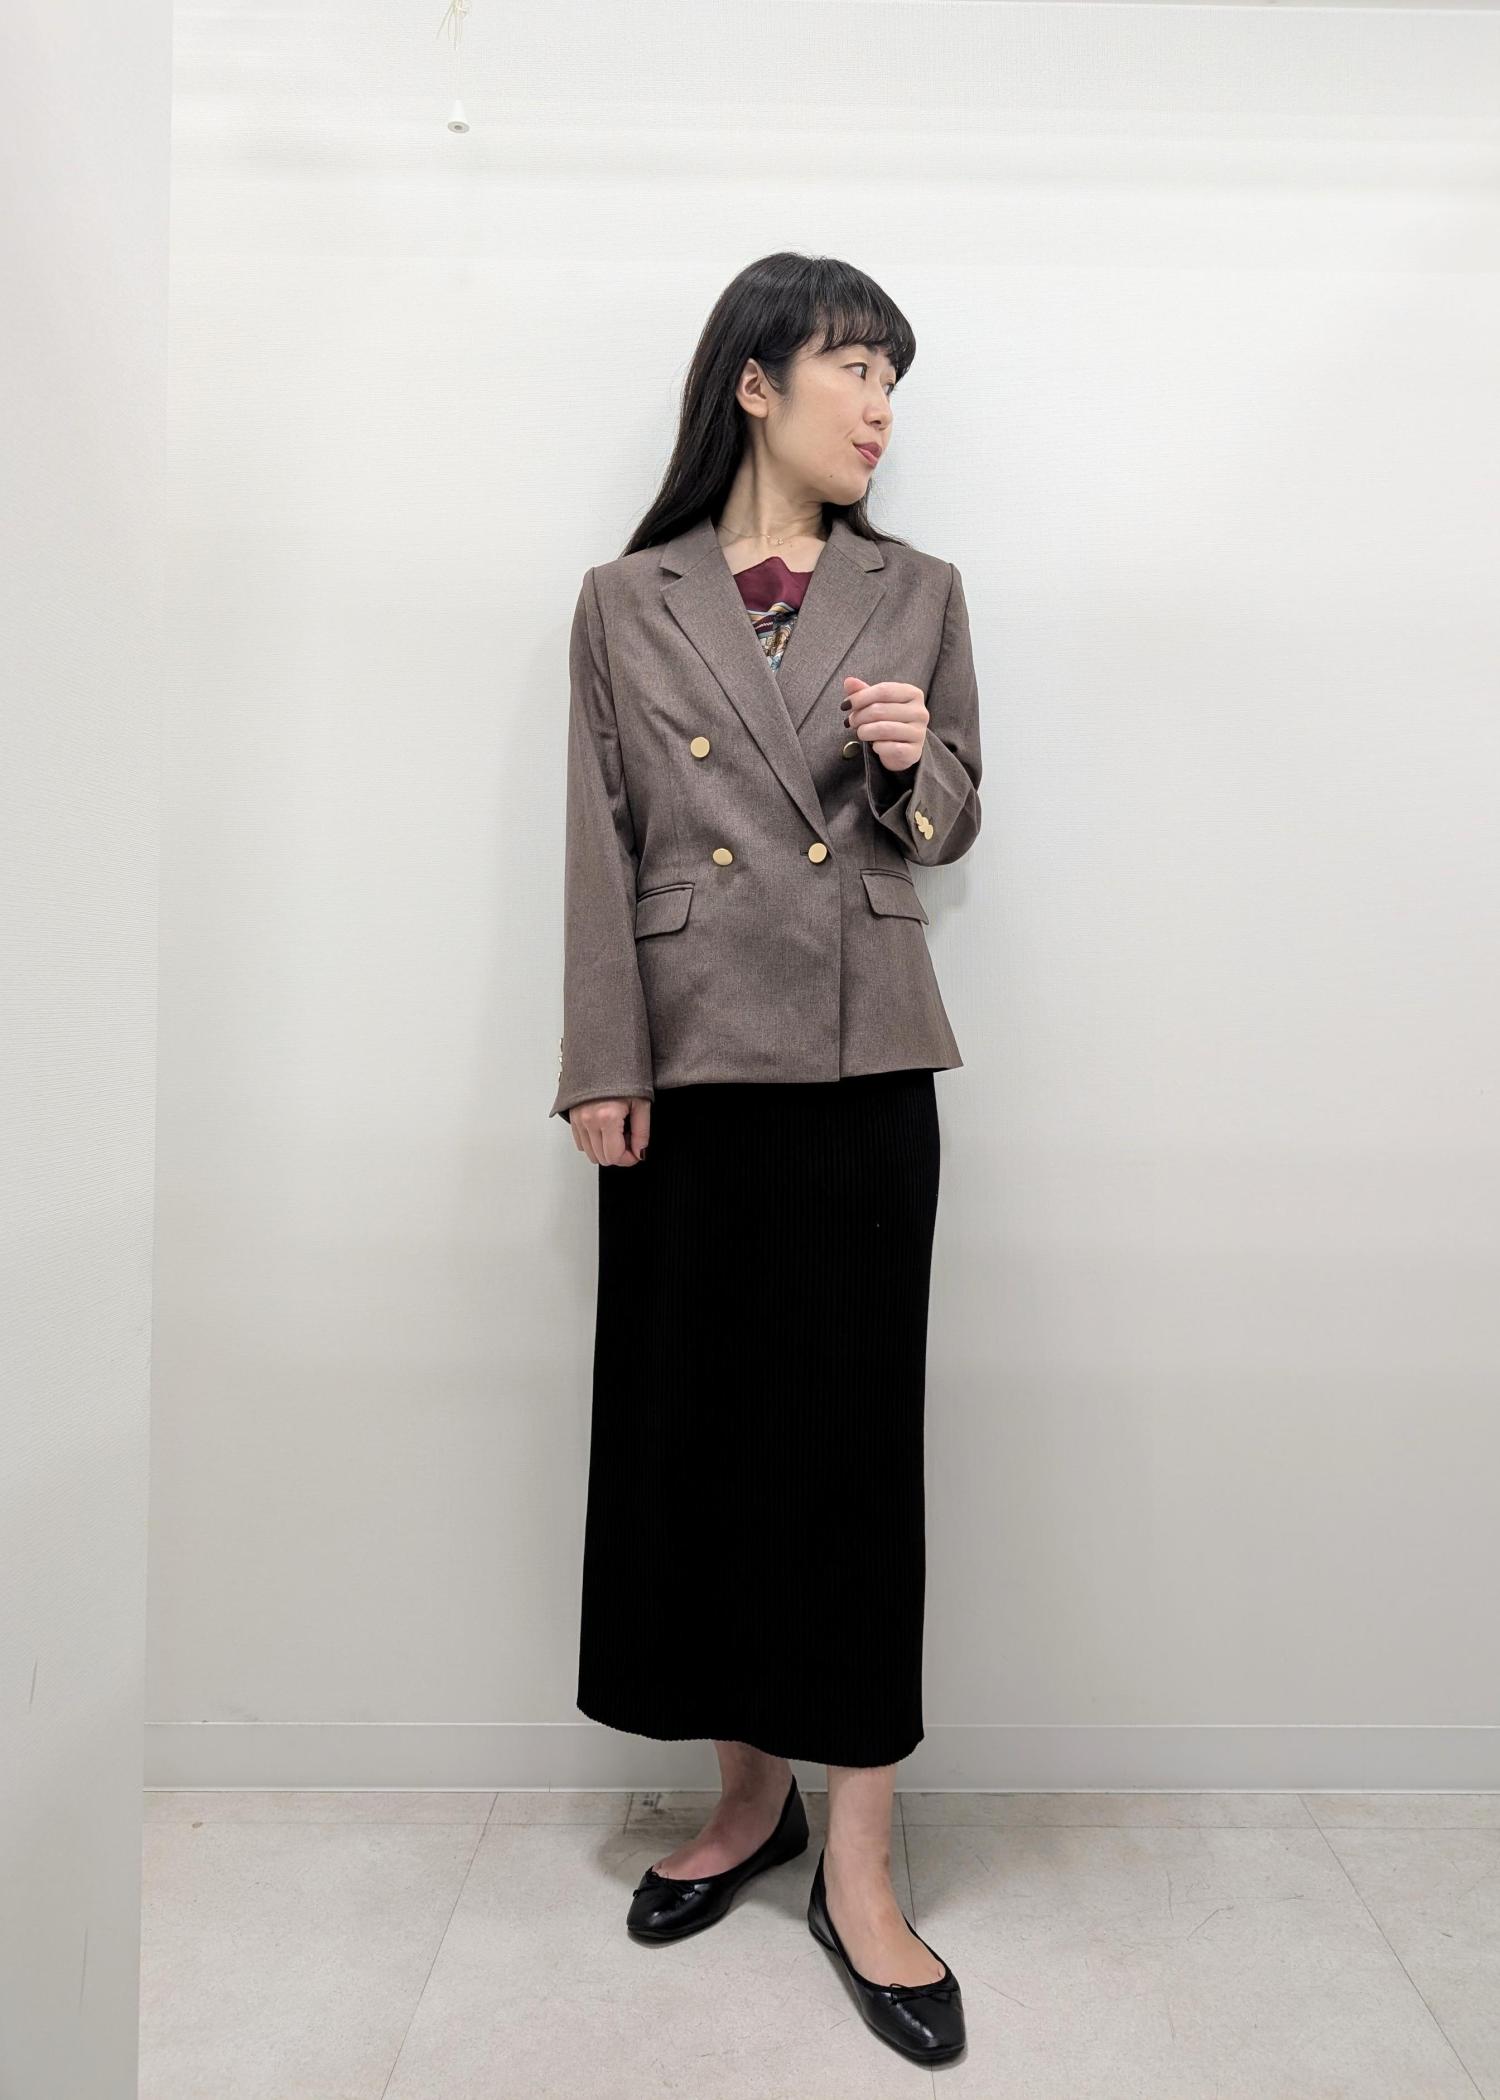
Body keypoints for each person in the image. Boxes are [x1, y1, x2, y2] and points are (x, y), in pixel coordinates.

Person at [549, 250, 982, 2067]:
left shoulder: (920, 590)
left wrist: (909, 763)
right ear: (754, 380)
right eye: (854, 368)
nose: (880, 407)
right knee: (701, 1443)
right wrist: (599, 1061)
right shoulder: (622, 597)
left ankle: (859, 1866)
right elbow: (599, 835)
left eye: (895, 379)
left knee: (854, 1460)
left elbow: (952, 823)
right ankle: (750, 1805)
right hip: (690, 1061)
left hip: (863, 1062)